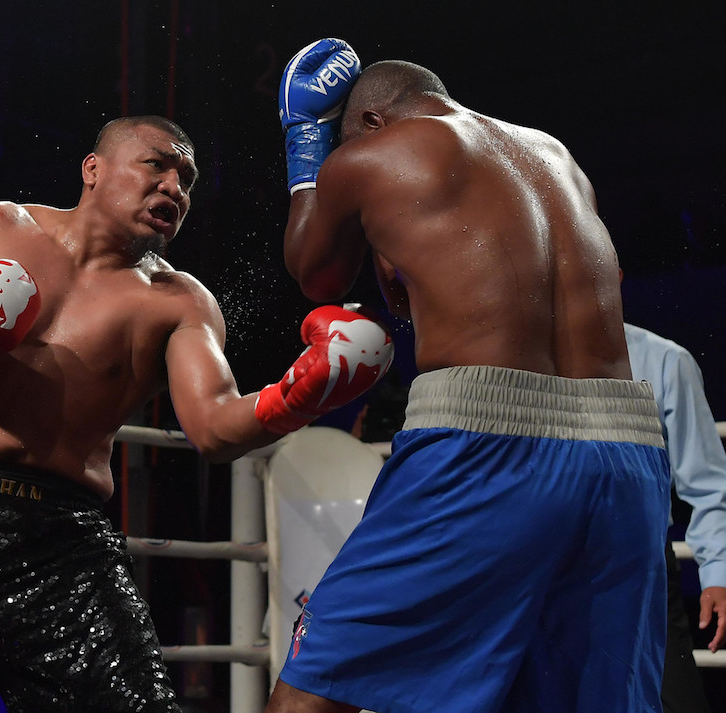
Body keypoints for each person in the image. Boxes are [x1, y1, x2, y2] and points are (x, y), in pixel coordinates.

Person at [0, 115, 395, 713]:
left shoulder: (178, 301)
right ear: (93, 169)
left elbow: (215, 425)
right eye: (158, 165)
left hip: (55, 539)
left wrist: (302, 392)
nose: (175, 187)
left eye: (188, 180)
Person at [266, 39, 671, 713]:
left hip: (486, 443)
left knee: (312, 693)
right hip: (624, 452)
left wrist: (307, 145)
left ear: (369, 122)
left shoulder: (370, 154)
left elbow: (316, 270)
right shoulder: (553, 155)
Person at [624, 321, 726, 712]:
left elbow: (706, 479)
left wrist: (715, 571)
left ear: (613, 276)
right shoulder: (522, 355)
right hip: (549, 563)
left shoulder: (665, 359)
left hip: (642, 560)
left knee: (676, 698)